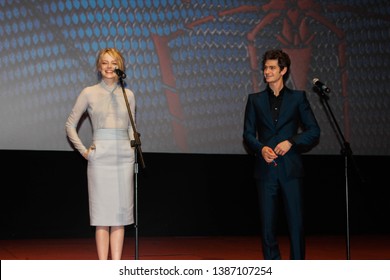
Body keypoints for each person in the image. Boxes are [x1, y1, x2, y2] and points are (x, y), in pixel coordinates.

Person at [243, 49, 320, 260]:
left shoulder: (298, 98)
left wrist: (291, 142)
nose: (266, 71)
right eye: (265, 68)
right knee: (267, 227)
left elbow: (314, 130)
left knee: (296, 225)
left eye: (271, 68)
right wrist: (260, 148)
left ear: (283, 70)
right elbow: (248, 134)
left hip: (291, 170)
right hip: (265, 171)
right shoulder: (255, 100)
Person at [66, 48, 136, 260]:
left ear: (120, 66)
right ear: (99, 67)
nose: (108, 67)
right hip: (100, 157)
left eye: (113, 62)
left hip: (123, 158)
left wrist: (132, 153)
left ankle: (116, 267)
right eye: (104, 63)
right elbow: (70, 125)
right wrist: (85, 152)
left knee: (120, 216)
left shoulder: (129, 95)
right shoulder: (89, 92)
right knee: (102, 216)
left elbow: (132, 128)